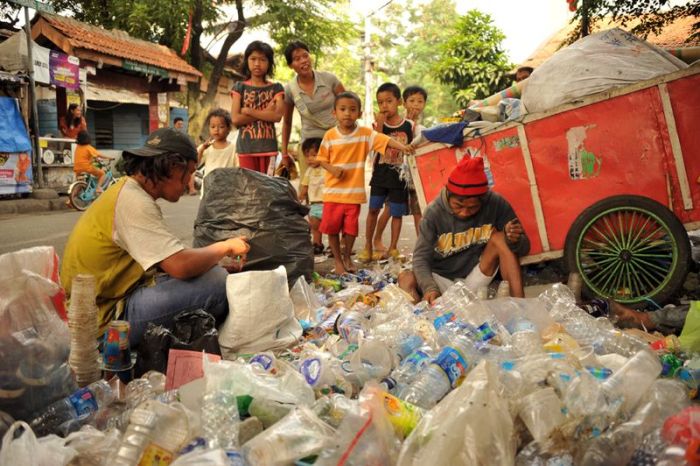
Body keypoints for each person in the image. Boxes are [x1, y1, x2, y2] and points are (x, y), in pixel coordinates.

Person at [61, 127, 250, 346]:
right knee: (218, 284)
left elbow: (166, 257)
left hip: (107, 302)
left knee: (211, 272)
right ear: (171, 166)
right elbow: (180, 265)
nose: (190, 180)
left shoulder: (128, 192)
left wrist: (214, 260)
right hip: (105, 320)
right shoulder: (133, 201)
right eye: (188, 172)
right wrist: (225, 247)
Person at [398, 156, 529, 304]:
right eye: (458, 206)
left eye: (473, 207)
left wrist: (515, 240)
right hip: (441, 281)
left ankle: (520, 307)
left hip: (476, 279)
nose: (464, 212)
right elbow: (420, 258)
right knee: (406, 278)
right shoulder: (434, 212)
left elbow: (524, 248)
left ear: (483, 199)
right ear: (448, 195)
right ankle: (417, 318)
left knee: (500, 238)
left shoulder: (496, 203)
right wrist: (430, 288)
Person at [316, 91, 414, 275]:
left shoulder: (365, 134)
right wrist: (332, 169)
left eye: (352, 110)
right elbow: (321, 159)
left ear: (359, 114)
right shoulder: (329, 135)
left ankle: (346, 257)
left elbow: (386, 140)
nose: (347, 113)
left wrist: (404, 148)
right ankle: (338, 261)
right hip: (332, 194)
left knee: (351, 231)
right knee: (332, 229)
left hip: (353, 195)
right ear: (334, 113)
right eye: (342, 109)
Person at [358, 83, 413, 263]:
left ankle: (393, 248)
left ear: (399, 102)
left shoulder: (409, 126)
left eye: (389, 101)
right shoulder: (377, 126)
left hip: (400, 178)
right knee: (373, 209)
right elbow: (376, 144)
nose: (384, 106)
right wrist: (379, 127)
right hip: (380, 175)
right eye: (380, 103)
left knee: (396, 213)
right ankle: (367, 246)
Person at [374, 85, 428, 249]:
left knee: (417, 211)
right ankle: (377, 239)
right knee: (389, 209)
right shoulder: (400, 123)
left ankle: (419, 247)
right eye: (411, 101)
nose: (416, 105)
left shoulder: (420, 127)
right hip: (395, 175)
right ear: (403, 103)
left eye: (420, 101)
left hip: (414, 177)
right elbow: (379, 142)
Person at [280, 40, 345, 174]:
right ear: (290, 65)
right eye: (297, 59)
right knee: (310, 187)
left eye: (305, 56)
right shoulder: (290, 90)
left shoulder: (329, 79)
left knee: (335, 186)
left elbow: (348, 103)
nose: (304, 61)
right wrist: (284, 153)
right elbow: (287, 122)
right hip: (309, 148)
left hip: (336, 140)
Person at [231, 41, 285, 174]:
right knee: (250, 188)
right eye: (253, 59)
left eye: (262, 59)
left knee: (267, 188)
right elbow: (236, 119)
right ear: (247, 61)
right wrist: (266, 112)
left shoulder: (276, 88)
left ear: (269, 63)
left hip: (269, 148)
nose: (257, 63)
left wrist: (249, 111)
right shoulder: (239, 87)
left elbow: (277, 116)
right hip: (246, 148)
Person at [189, 108, 238, 196]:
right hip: (208, 192)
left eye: (221, 127)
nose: (216, 129)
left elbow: (238, 169)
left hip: (226, 191)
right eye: (213, 126)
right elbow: (195, 164)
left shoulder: (234, 148)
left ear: (228, 129)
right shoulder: (206, 147)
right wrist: (202, 149)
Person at [297, 138, 325, 255]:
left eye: (314, 155)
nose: (310, 159)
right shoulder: (309, 171)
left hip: (327, 203)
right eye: (307, 156)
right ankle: (317, 243)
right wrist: (300, 197)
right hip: (314, 204)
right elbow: (304, 186)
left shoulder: (327, 168)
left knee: (333, 227)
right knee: (315, 226)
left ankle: (338, 245)